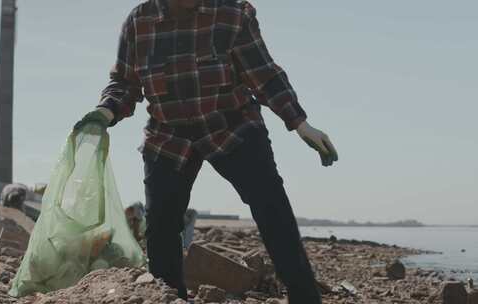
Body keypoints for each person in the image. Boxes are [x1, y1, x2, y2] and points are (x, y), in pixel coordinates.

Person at [75, 0, 338, 302]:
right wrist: (104, 112)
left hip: (232, 126)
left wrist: (300, 123)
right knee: (161, 226)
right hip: (169, 136)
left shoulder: (231, 13)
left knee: (271, 206)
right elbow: (124, 82)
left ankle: (304, 296)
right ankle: (169, 296)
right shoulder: (140, 21)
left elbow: (264, 75)